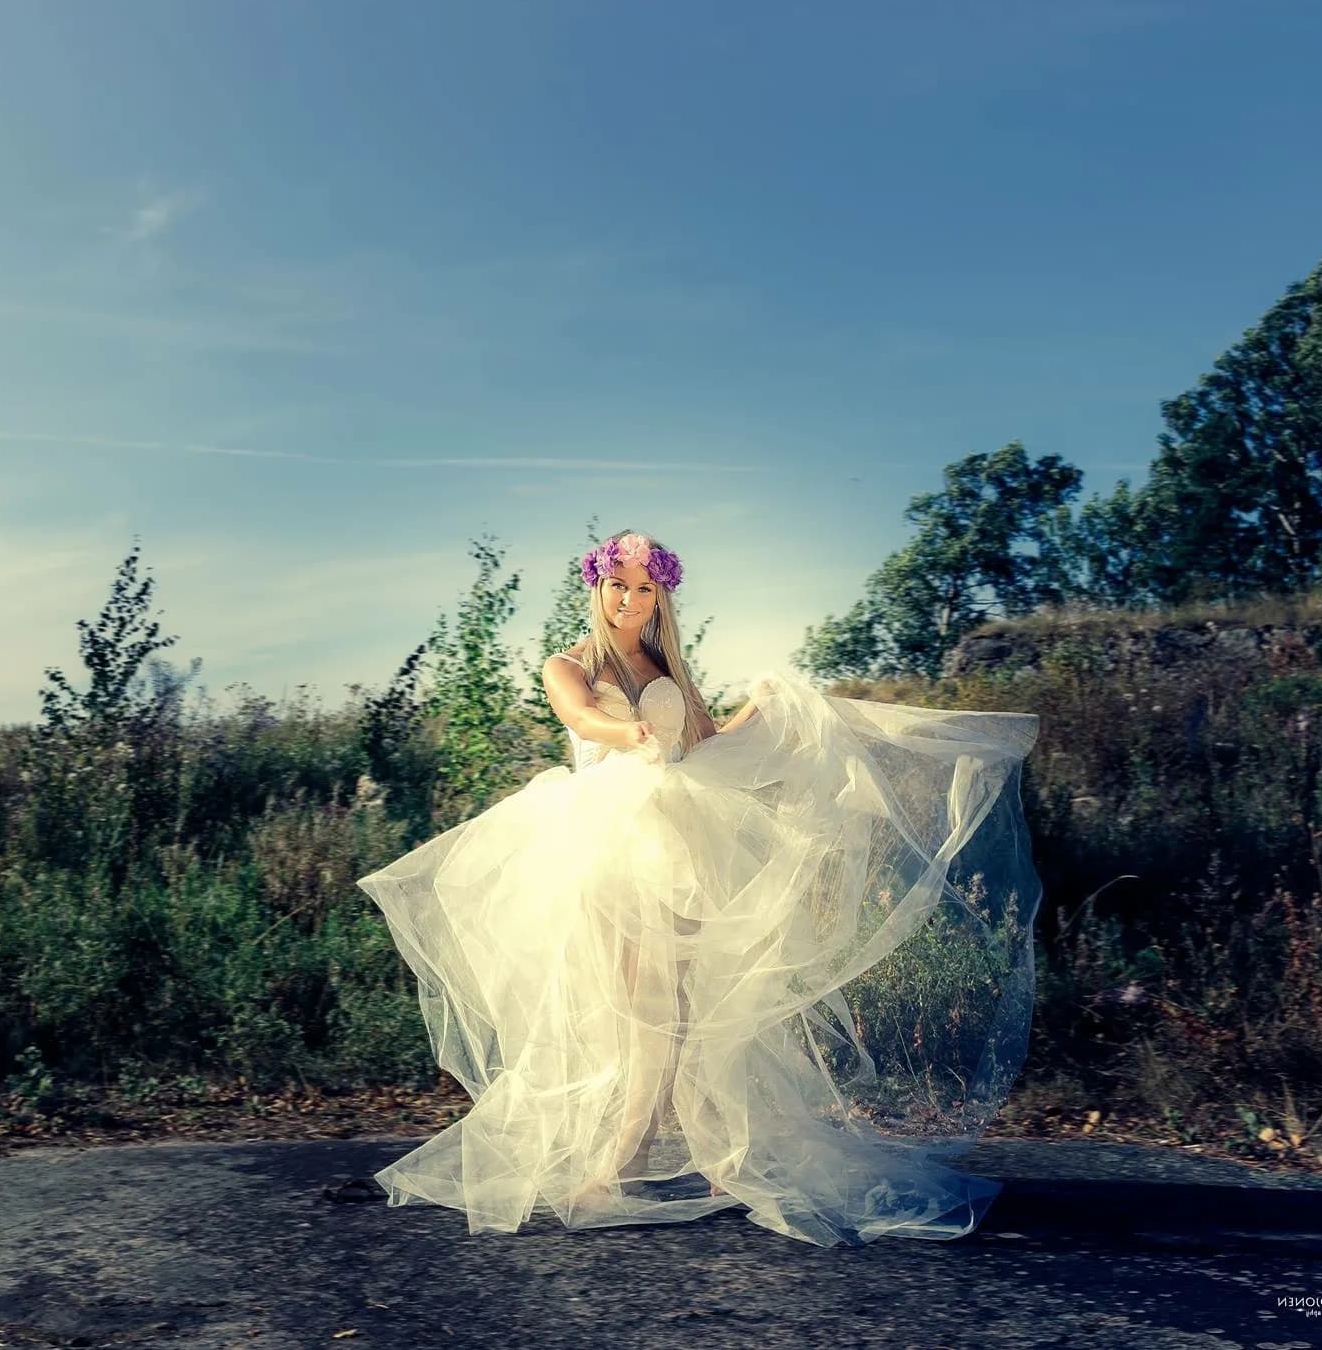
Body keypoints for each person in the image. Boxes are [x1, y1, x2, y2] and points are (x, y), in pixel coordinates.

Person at [356, 528, 1043, 1246]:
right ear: (598, 585)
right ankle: (616, 1162)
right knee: (640, 1011)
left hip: (679, 845)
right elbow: (582, 718)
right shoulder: (570, 664)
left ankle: (708, 1154)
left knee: (689, 1008)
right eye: (618, 583)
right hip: (606, 846)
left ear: (660, 597)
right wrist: (630, 739)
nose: (629, 598)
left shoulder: (665, 666)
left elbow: (708, 744)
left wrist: (762, 707)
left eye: (643, 587)